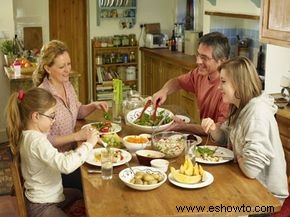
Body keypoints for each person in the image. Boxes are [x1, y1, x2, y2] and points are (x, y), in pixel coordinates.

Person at [201, 56, 289, 203]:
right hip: (247, 183)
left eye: (223, 82)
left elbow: (250, 169)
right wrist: (213, 129)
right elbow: (225, 138)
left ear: (239, 84)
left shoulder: (257, 113)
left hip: (265, 196)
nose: (218, 87)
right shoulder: (238, 106)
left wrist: (238, 155)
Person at [5, 88, 99, 217]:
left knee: (79, 194)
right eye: (51, 116)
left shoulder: (30, 135)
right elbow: (65, 166)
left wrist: (78, 152)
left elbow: (55, 158)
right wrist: (89, 144)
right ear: (36, 116)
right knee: (85, 198)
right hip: (41, 205)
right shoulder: (37, 141)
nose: (53, 121)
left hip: (51, 196)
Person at [33, 40, 108, 189]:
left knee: (107, 164)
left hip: (74, 153)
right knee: (99, 180)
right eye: (62, 66)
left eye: (69, 64)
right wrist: (76, 136)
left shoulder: (67, 84)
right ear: (47, 68)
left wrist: (93, 106)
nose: (67, 70)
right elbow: (44, 140)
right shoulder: (43, 95)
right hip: (57, 166)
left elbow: (77, 111)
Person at [152, 32, 230, 135]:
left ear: (222, 61)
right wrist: (164, 91)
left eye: (204, 58)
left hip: (220, 144)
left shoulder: (229, 88)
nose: (198, 61)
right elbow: (178, 82)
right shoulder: (199, 74)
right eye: (198, 55)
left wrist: (184, 126)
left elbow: (219, 131)